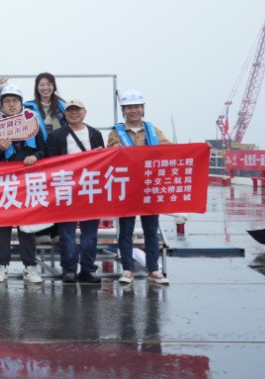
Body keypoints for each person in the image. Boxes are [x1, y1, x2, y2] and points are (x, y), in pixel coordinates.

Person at [107, 89, 172, 286]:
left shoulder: (154, 131)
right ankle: (128, 269)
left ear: (143, 109)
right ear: (123, 111)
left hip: (149, 187)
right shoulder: (116, 132)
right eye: (129, 107)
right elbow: (109, 155)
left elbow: (172, 150)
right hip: (127, 188)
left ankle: (153, 269)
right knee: (125, 231)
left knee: (151, 231)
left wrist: (200, 149)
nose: (133, 111)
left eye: (136, 107)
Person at [0, 85, 45, 284]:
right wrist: (0, 149)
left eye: (15, 101)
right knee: (3, 227)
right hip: (4, 184)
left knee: (27, 227)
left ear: (21, 104)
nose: (11, 105)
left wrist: (35, 156)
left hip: (26, 183)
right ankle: (1, 266)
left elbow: (45, 149)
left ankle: (30, 267)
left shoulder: (32, 126)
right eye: (7, 101)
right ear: (1, 105)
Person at [46, 99, 105, 284]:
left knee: (90, 235)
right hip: (66, 189)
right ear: (65, 114)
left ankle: (87, 269)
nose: (74, 113)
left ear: (84, 112)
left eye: (77, 110)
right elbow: (50, 162)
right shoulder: (56, 136)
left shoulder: (95, 134)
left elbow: (102, 161)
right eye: (70, 110)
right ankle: (69, 269)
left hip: (90, 189)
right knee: (67, 234)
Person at [24, 72, 67, 244]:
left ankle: (57, 232)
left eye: (49, 84)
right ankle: (42, 231)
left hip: (58, 155)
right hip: (38, 154)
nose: (45, 88)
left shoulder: (63, 107)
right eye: (42, 84)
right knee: (40, 192)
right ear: (37, 87)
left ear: (54, 86)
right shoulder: (28, 107)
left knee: (57, 193)